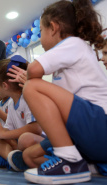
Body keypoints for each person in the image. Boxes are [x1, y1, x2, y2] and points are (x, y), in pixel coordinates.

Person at [21, 0, 107, 184]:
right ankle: (83, 163)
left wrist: (29, 81)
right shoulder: (71, 56)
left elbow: (34, 70)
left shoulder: (74, 43)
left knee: (32, 86)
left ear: (53, 27)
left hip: (101, 125)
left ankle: (71, 161)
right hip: (92, 136)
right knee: (32, 158)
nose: (41, 39)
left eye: (41, 32)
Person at [0, 56, 42, 168]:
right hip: (19, 144)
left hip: (35, 141)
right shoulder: (11, 103)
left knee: (25, 139)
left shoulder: (27, 97)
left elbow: (36, 129)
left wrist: (3, 133)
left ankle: (8, 159)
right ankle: (13, 158)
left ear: (5, 86)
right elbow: (9, 130)